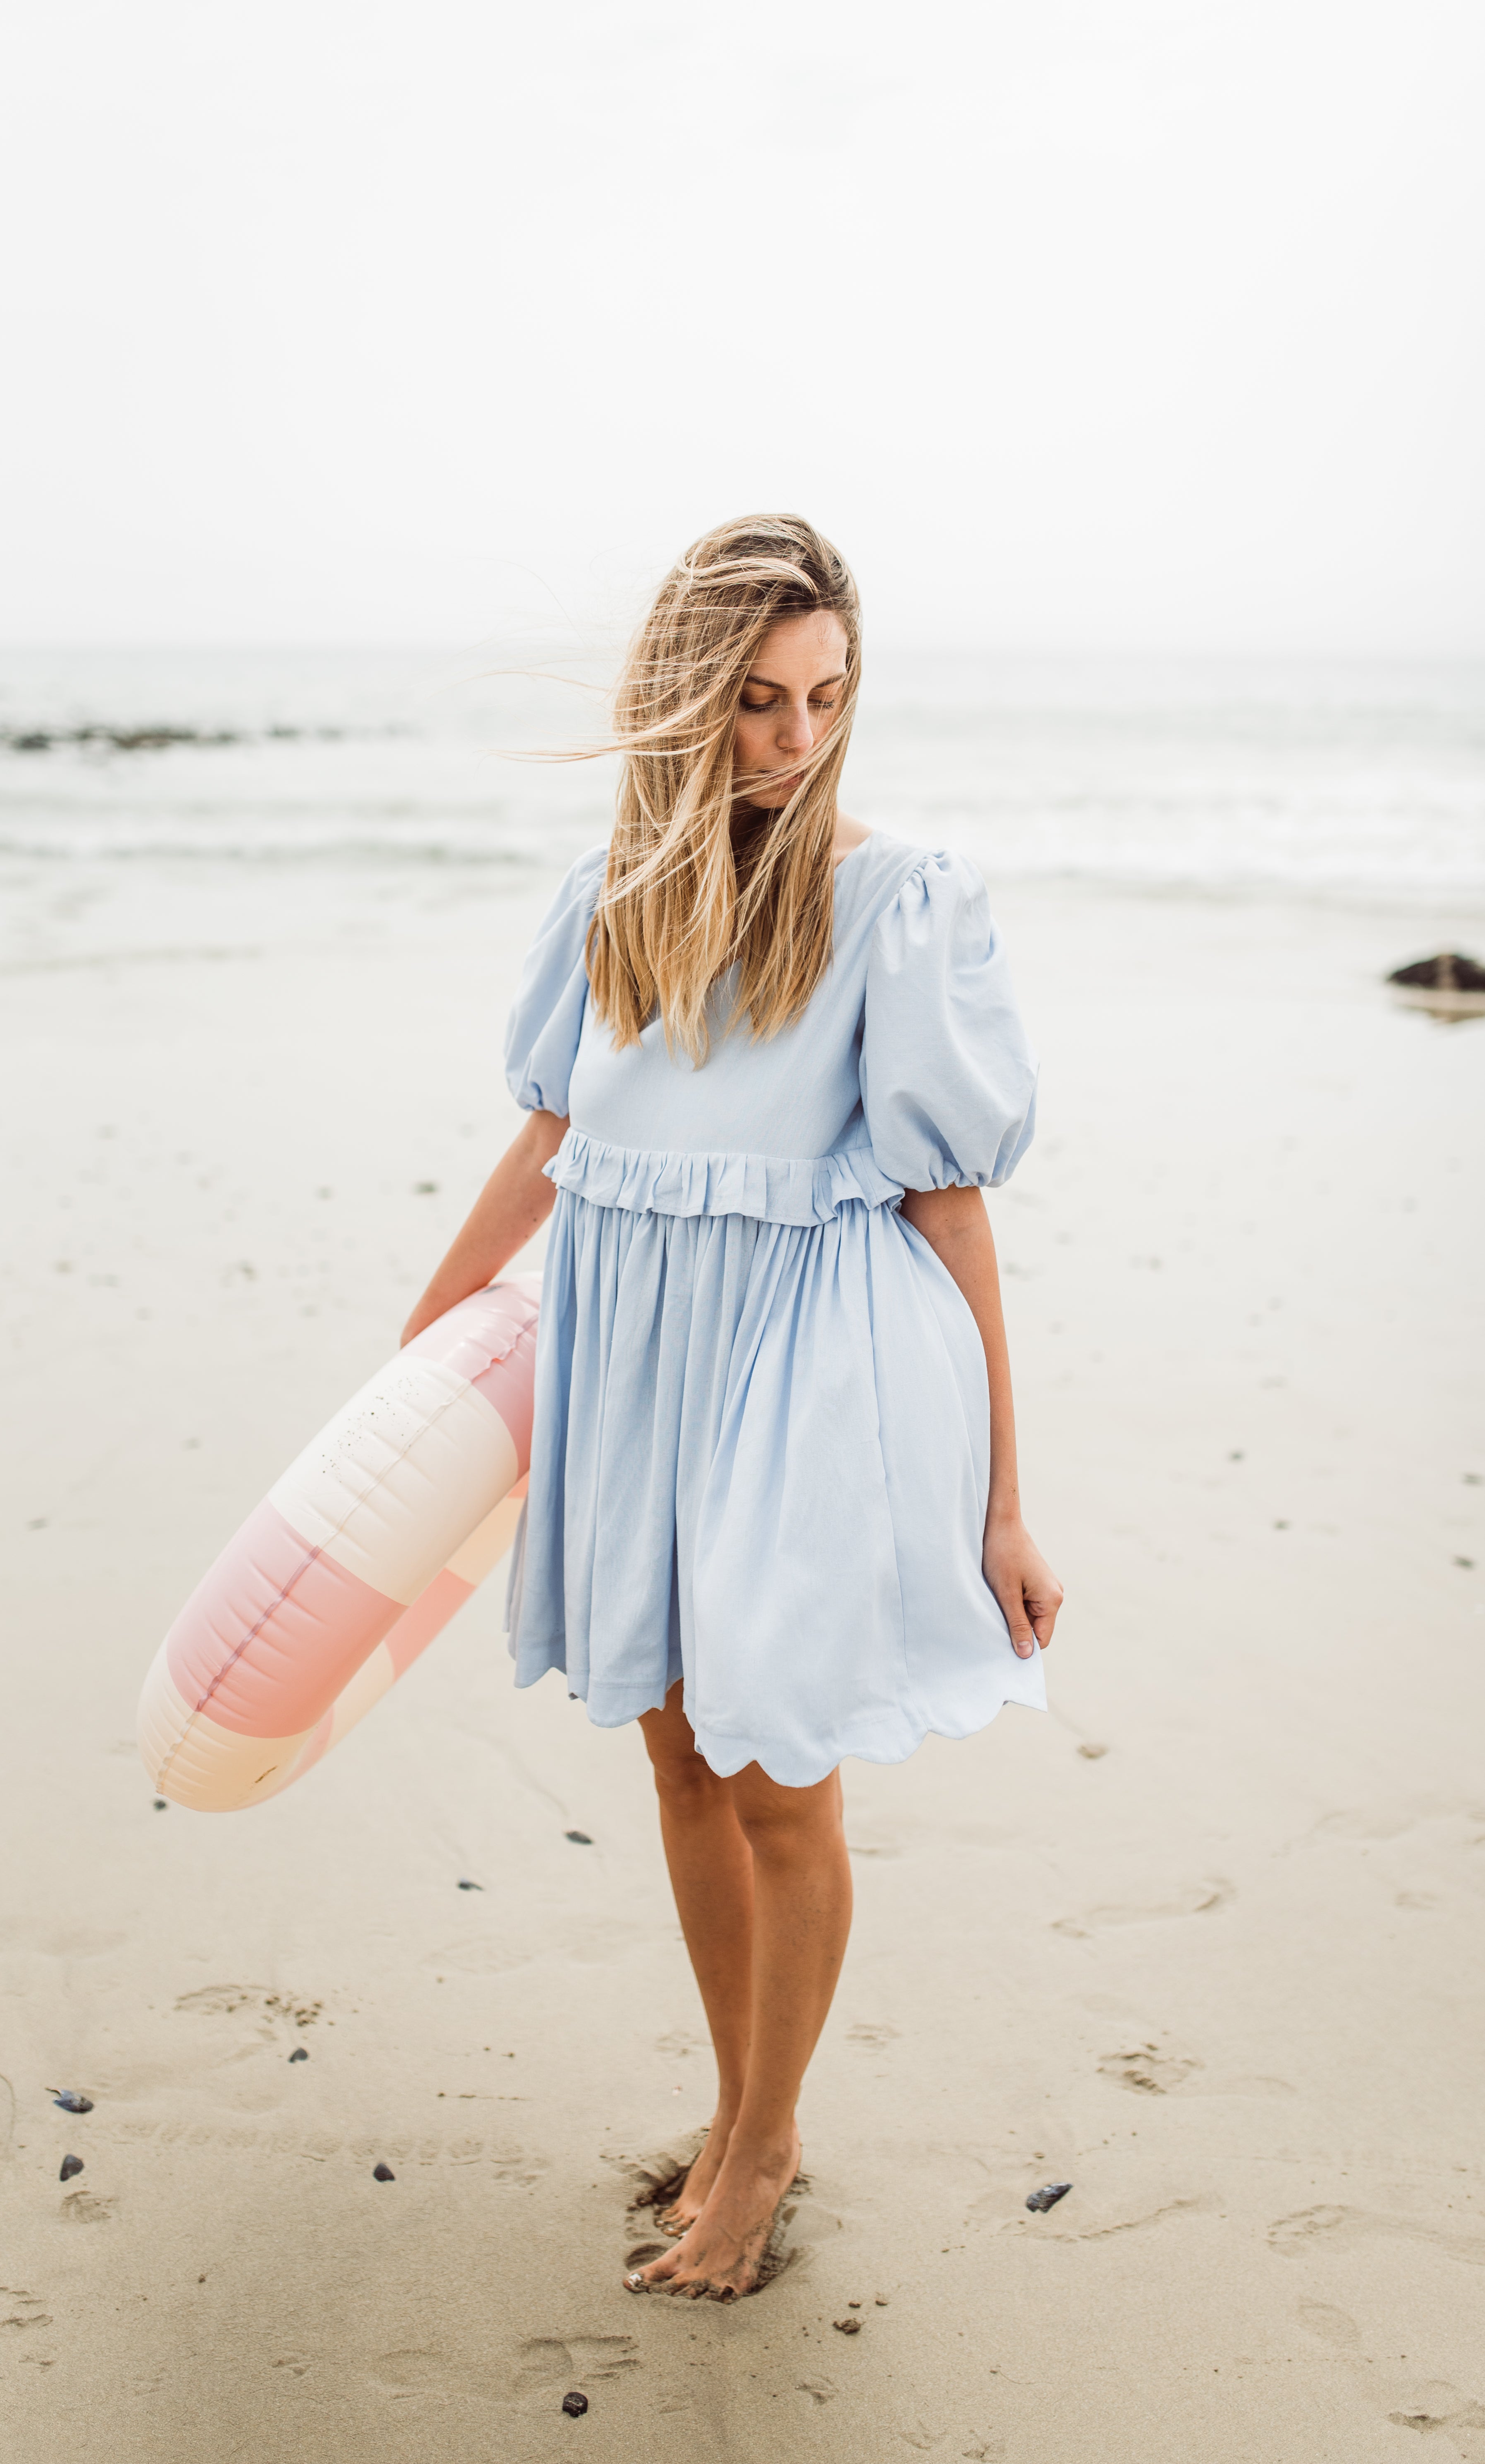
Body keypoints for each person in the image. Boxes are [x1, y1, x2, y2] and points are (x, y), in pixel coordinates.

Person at [400, 514, 1064, 2299]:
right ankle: (727, 2102)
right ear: (687, 698)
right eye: (759, 702)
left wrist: (1005, 1496)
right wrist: (431, 1328)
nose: (794, 738)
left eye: (825, 699)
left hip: (804, 1363)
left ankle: (768, 2146)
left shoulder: (895, 900)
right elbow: (552, 1137)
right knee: (677, 1750)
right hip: (633, 1352)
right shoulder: (610, 894)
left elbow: (950, 1203)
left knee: (777, 1770)